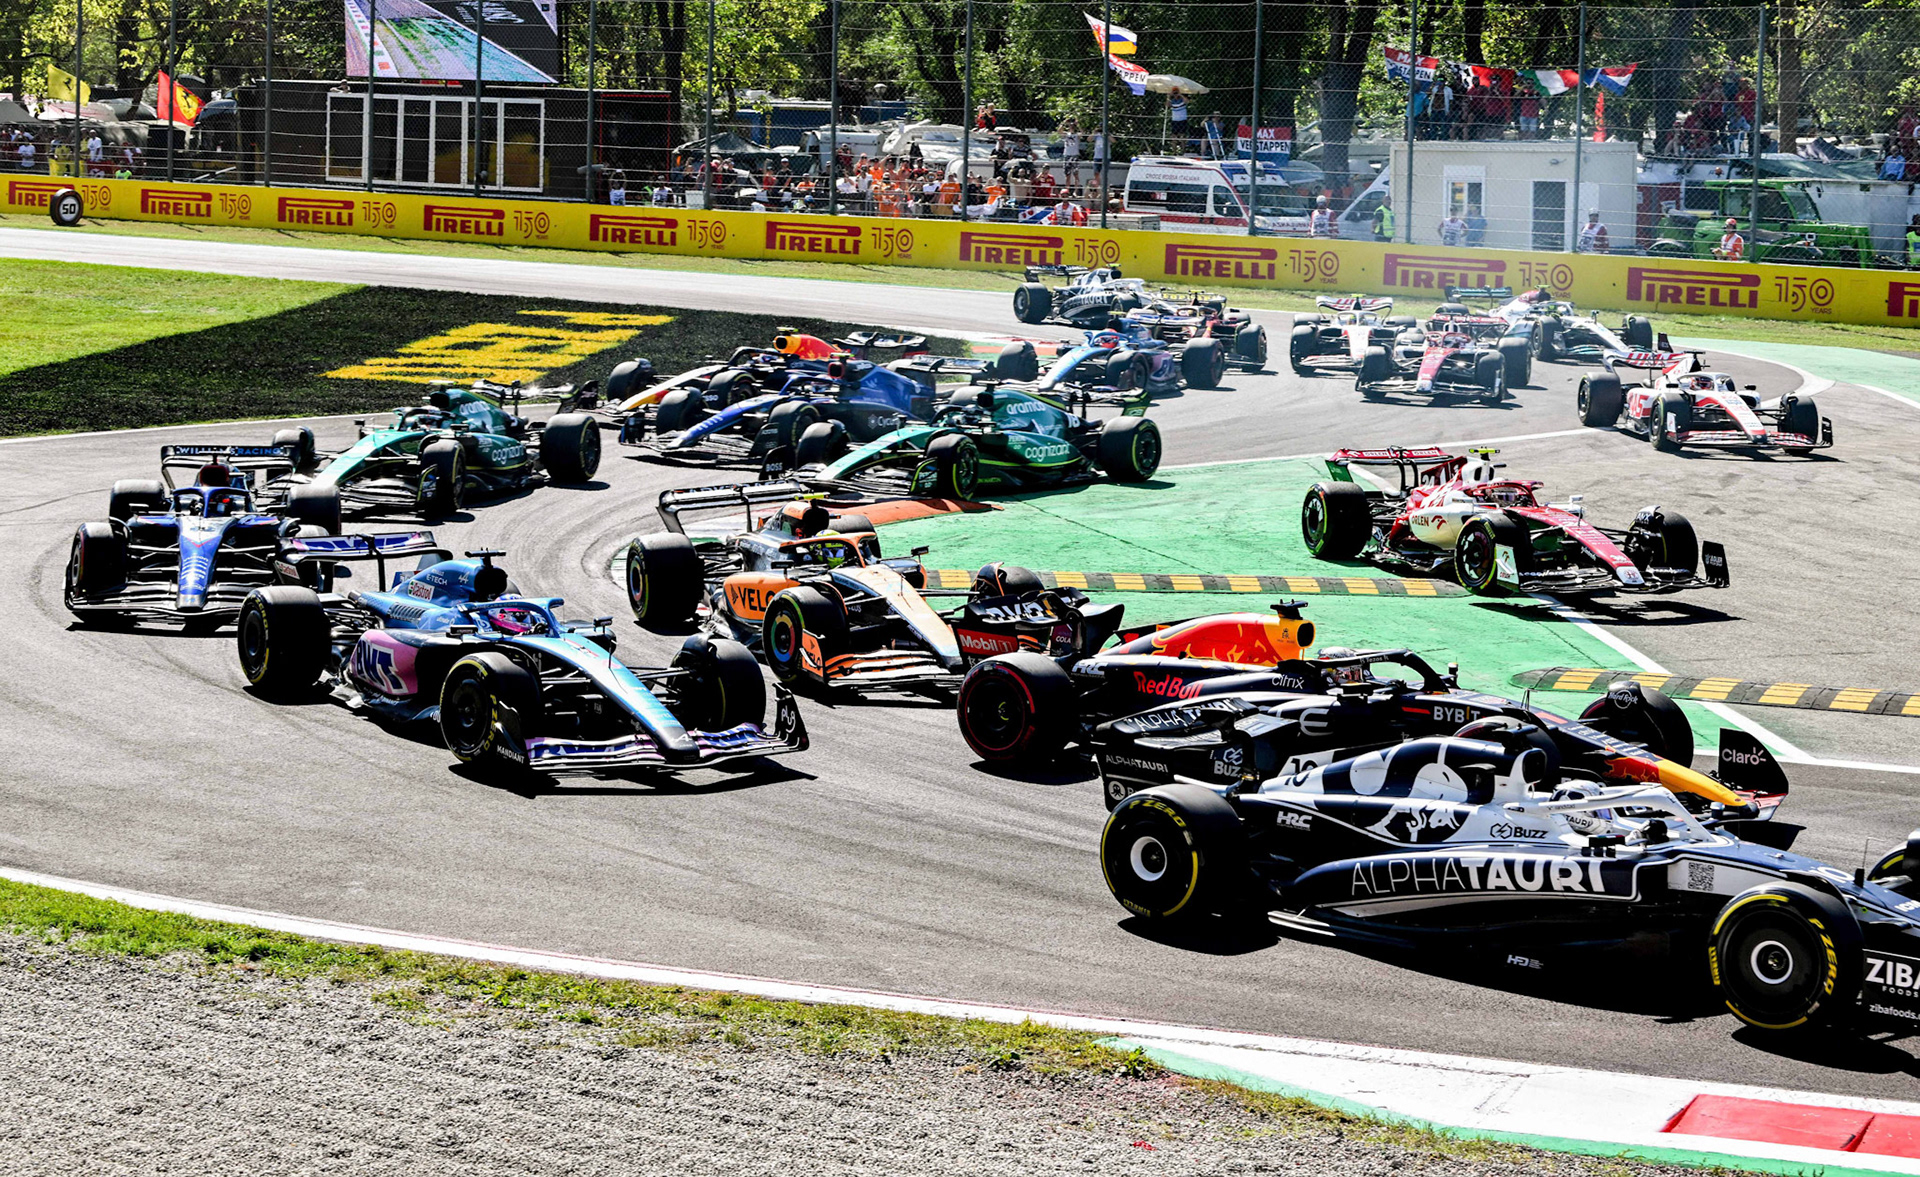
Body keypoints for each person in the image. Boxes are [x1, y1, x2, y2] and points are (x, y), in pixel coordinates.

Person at [1168, 88, 1189, 152]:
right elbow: (1167, 105)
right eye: (1174, 93)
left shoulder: (1182, 100)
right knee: (1173, 137)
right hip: (1175, 120)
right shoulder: (1172, 101)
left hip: (1182, 120)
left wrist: (1181, 95)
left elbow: (1187, 101)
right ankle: (1174, 151)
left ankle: (1183, 151)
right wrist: (1169, 96)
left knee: (1182, 136)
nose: (1175, 94)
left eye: (1176, 93)